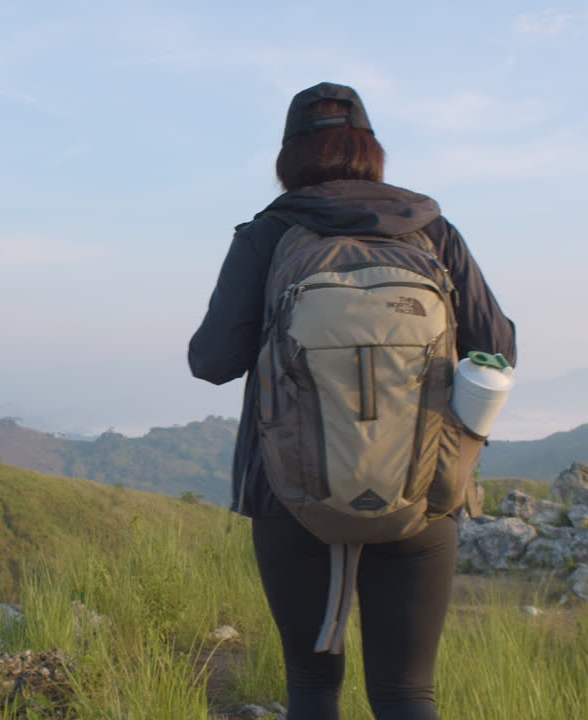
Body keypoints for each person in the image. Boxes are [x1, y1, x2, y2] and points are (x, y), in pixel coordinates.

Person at [188, 82, 517, 720]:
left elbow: (212, 361)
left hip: (289, 490)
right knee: (407, 692)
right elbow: (497, 345)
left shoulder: (269, 234)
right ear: (371, 152)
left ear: (289, 157)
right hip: (424, 490)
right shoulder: (431, 231)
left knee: (312, 690)